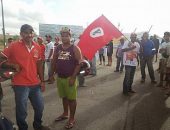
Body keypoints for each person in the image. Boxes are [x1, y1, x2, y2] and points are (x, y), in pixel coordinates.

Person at [0, 24, 50, 130]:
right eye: (26, 32)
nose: (29, 35)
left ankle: (38, 125)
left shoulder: (37, 47)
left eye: (31, 32)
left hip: (35, 83)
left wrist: (42, 81)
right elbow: (1, 58)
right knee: (22, 111)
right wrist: (12, 65)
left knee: (40, 107)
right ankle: (23, 128)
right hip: (20, 84)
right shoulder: (14, 46)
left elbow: (39, 65)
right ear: (21, 34)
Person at [50, 27, 82, 129]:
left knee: (71, 99)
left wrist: (73, 77)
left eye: (66, 35)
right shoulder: (58, 47)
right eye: (62, 35)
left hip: (70, 78)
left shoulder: (75, 48)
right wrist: (51, 74)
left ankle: (71, 119)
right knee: (64, 97)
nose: (64, 37)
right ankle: (65, 114)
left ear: (70, 36)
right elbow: (54, 61)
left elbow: (79, 64)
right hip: (60, 78)